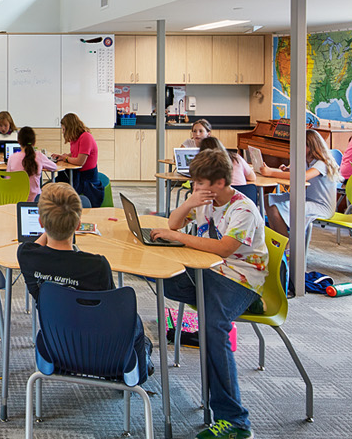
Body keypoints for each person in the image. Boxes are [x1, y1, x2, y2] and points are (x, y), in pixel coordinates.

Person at [145, 148, 268, 439]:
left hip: (240, 280)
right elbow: (173, 224)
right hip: (207, 272)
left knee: (213, 329)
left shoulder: (243, 209)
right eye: (194, 184)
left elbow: (225, 248)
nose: (196, 188)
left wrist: (178, 238)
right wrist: (189, 202)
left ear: (221, 183)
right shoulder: (206, 203)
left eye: (201, 184)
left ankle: (235, 421)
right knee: (156, 274)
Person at [16, 182, 119, 304]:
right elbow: (112, 305)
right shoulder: (98, 266)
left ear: (40, 223)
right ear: (78, 225)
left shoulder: (26, 255)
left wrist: (49, 225)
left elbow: (34, 246)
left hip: (52, 322)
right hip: (91, 322)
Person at [52, 113, 104, 207]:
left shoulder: (85, 137)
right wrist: (63, 156)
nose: (63, 132)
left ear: (70, 128)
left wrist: (66, 158)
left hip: (86, 180)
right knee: (54, 185)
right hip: (78, 175)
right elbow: (75, 153)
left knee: (59, 189)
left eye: (64, 129)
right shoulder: (76, 138)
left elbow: (80, 161)